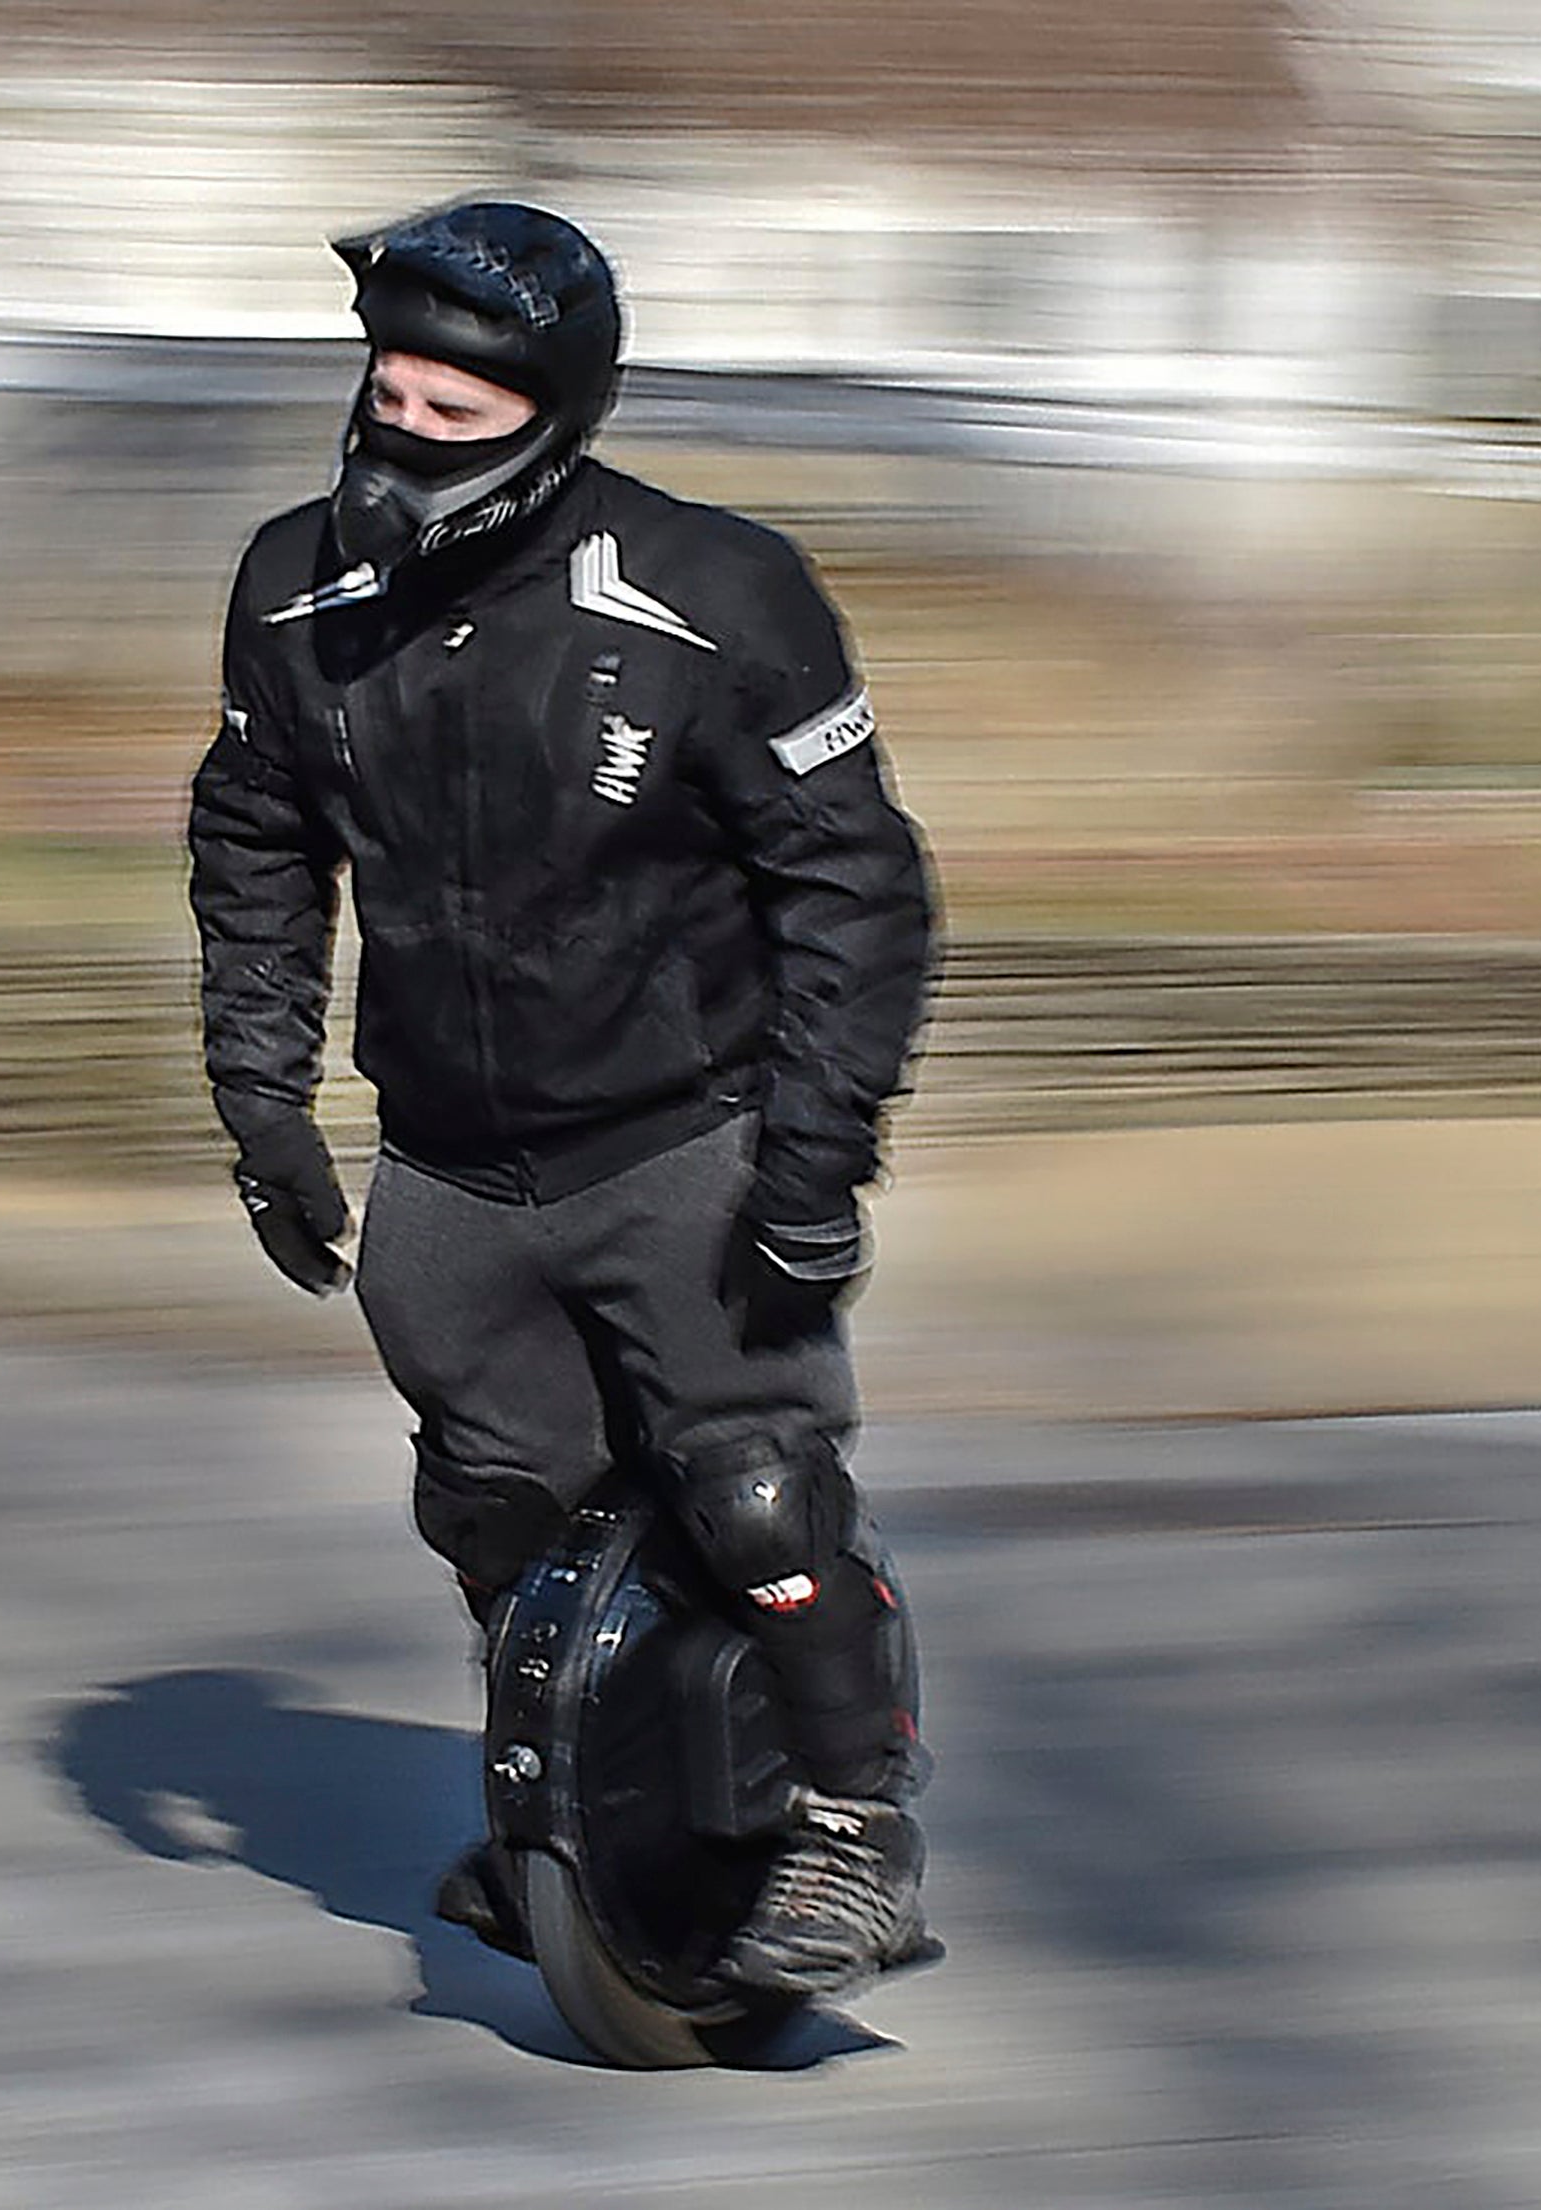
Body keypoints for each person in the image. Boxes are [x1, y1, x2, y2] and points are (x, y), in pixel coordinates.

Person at [186, 200, 938, 1999]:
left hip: (685, 1136)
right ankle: (600, 1811)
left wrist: (816, 1164)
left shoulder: (714, 593)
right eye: (383, 392)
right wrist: (261, 1095)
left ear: (551, 422)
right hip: (449, 1164)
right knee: (494, 1515)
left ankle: (856, 1829)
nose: (397, 437)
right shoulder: (295, 591)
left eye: (450, 414)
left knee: (751, 1490)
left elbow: (859, 890)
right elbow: (254, 837)